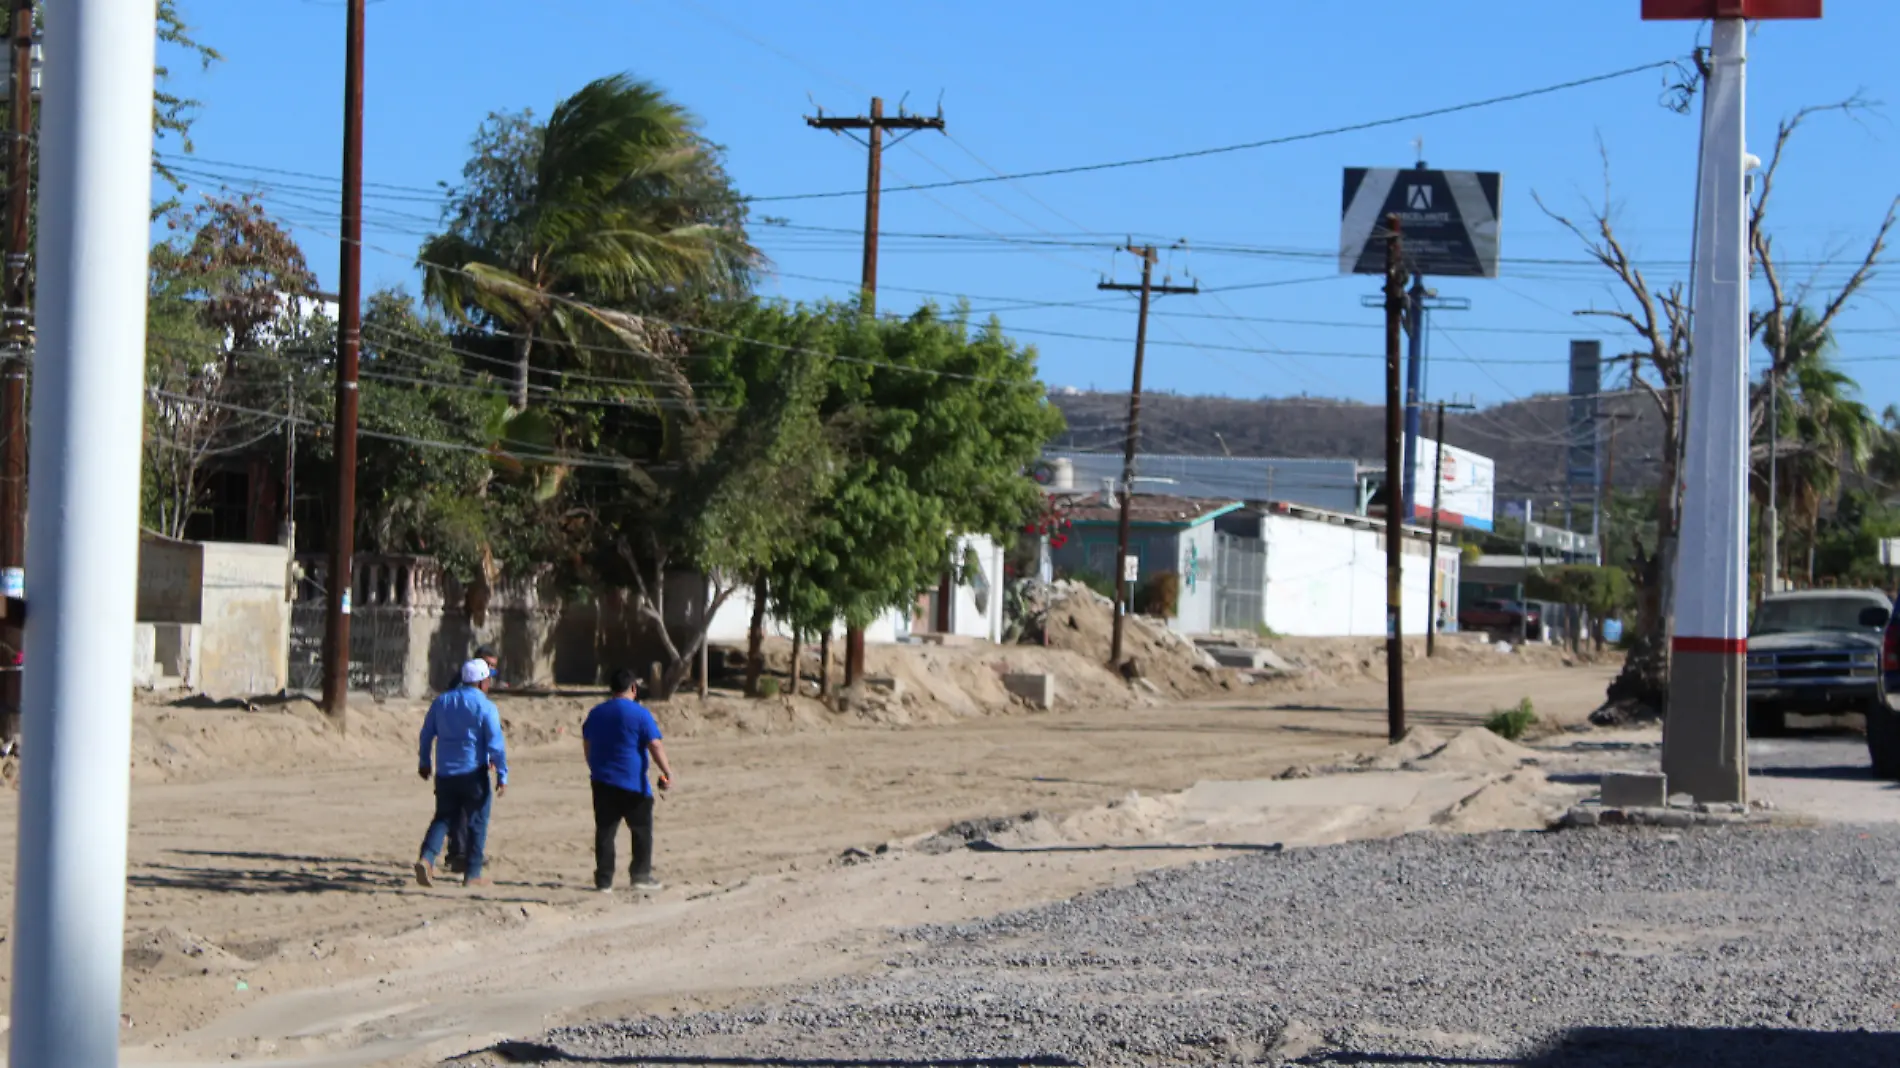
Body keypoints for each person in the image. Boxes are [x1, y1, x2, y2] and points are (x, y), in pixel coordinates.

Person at [416, 658, 509, 888]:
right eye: (488, 679)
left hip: (445, 773)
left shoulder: (442, 701)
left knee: (443, 817)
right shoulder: (486, 706)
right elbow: (495, 744)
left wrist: (424, 761)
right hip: (473, 773)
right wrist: (502, 773)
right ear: (481, 682)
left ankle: (427, 858)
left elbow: (426, 733)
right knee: (477, 821)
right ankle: (473, 873)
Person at [582, 668, 672, 893]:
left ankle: (604, 880)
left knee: (605, 831)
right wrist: (667, 771)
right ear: (633, 688)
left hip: (603, 781)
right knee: (641, 830)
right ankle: (640, 875)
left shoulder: (596, 713)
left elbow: (587, 744)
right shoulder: (640, 714)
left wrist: (594, 767)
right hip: (633, 783)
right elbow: (655, 744)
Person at [445, 643, 502, 874]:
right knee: (465, 810)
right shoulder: (464, 687)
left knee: (463, 809)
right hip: (463, 759)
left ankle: (462, 853)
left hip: (461, 756)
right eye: (489, 667)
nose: (491, 673)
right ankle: (460, 854)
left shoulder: (472, 686)